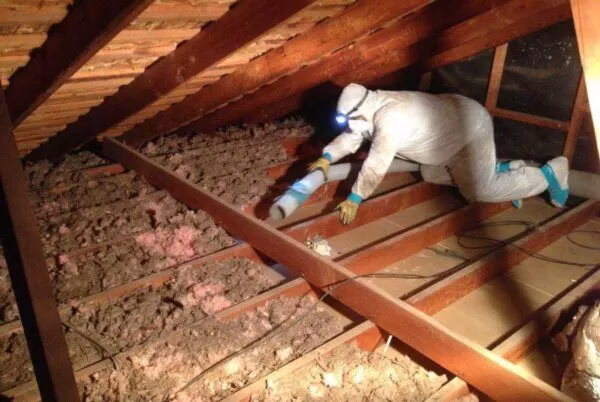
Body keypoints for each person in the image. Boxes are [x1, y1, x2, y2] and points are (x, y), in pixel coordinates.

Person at [309, 83, 569, 225]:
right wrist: (327, 156)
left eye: (350, 120)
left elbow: (377, 163)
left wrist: (356, 197)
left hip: (470, 127)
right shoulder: (370, 105)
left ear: (359, 111)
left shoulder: (391, 118)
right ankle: (501, 170)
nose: (350, 126)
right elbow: (354, 136)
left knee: (478, 191)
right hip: (448, 132)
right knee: (430, 171)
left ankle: (548, 175)